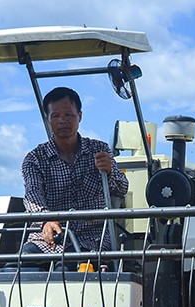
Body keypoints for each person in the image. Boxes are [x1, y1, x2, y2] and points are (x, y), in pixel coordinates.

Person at [19, 86, 129, 262]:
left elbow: (122, 188)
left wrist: (109, 172)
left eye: (68, 115)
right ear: (47, 120)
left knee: (73, 270)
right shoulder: (34, 159)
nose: (62, 121)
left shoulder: (100, 150)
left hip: (93, 240)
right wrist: (46, 220)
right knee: (20, 268)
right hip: (48, 240)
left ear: (80, 116)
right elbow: (33, 195)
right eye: (55, 116)